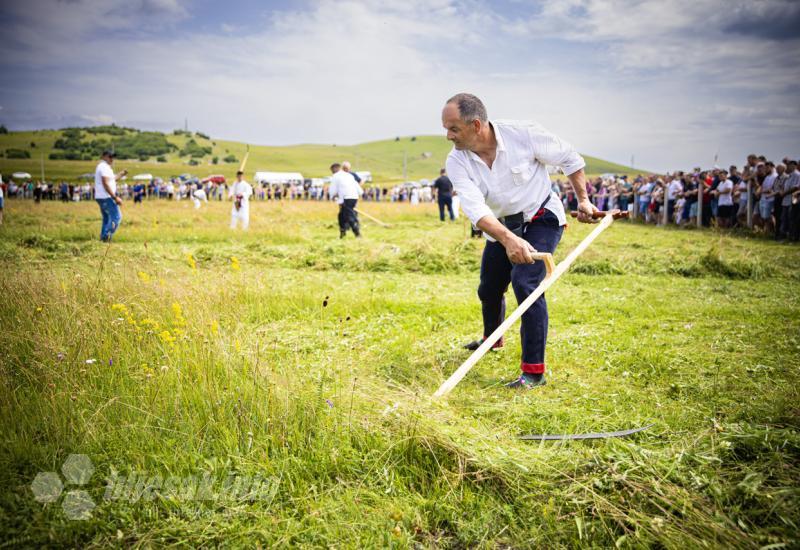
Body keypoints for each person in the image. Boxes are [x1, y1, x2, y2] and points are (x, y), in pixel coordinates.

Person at [442, 92, 597, 390]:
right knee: (489, 288)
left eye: (453, 129)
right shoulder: (457, 161)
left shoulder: (523, 134)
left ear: (476, 125)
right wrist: (508, 238)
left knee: (526, 283)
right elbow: (474, 208)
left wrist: (584, 200)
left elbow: (570, 158)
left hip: (540, 217)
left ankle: (533, 373)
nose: (447, 136)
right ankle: (493, 339)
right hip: (500, 227)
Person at [94, 150, 127, 242]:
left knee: (107, 218)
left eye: (113, 157)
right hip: (106, 197)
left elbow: (111, 180)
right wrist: (115, 197)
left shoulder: (104, 167)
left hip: (101, 196)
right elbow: (105, 183)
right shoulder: (104, 167)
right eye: (110, 156)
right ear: (104, 156)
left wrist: (121, 174)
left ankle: (103, 238)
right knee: (116, 217)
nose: (112, 159)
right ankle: (106, 237)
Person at [328, 162, 363, 238]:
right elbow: (358, 188)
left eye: (332, 171)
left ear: (334, 170)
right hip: (353, 197)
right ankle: (342, 234)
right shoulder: (349, 175)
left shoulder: (336, 176)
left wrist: (332, 196)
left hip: (347, 198)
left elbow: (333, 189)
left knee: (349, 216)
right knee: (341, 216)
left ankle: (358, 234)